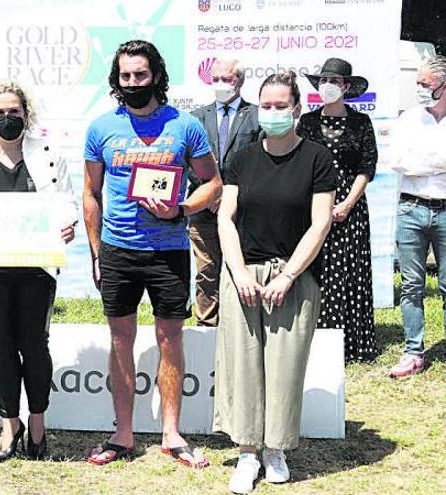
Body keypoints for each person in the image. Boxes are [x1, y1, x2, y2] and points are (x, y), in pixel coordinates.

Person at [83, 40, 222, 468]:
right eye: (125, 77)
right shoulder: (101, 128)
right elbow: (90, 193)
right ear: (116, 80)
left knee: (169, 338)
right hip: (118, 250)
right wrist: (94, 253)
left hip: (169, 251)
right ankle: (122, 433)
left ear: (156, 75)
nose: (133, 83)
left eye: (140, 75)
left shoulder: (185, 126)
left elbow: (213, 184)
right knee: (121, 339)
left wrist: (181, 208)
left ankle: (172, 433)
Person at [215, 71, 336, 494]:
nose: (272, 113)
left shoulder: (317, 159)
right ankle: (247, 452)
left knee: (284, 367)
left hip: (294, 277)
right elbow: (225, 217)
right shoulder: (243, 157)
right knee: (243, 365)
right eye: (265, 106)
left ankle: (276, 450)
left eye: (280, 105)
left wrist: (288, 275)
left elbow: (320, 223)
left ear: (297, 109)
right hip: (244, 276)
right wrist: (239, 272)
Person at [0, 80, 77, 462]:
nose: (8, 118)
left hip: (36, 268)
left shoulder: (50, 156)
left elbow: (67, 203)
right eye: (0, 113)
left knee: (35, 345)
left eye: (14, 112)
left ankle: (37, 423)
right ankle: (10, 426)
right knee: (1, 346)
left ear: (27, 115)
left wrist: (67, 225)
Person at [298, 58, 378, 363]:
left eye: (334, 81)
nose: (327, 86)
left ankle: (351, 343)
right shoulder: (306, 122)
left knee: (348, 269)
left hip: (350, 205)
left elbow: (366, 167)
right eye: (323, 80)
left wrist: (346, 204)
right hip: (313, 202)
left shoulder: (361, 123)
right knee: (315, 266)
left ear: (345, 86)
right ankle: (313, 339)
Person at [189, 58, 262, 327]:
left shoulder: (255, 116)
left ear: (240, 81)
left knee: (239, 269)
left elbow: (259, 161)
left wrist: (229, 197)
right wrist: (210, 195)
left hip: (241, 211)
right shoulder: (196, 117)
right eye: (216, 78)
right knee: (206, 271)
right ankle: (206, 326)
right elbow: (187, 162)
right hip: (203, 208)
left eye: (227, 79)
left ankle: (239, 327)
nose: (220, 84)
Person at [389, 54, 446, 378]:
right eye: (418, 84)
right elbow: (399, 160)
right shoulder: (409, 118)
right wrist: (439, 161)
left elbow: (416, 161)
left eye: (426, 84)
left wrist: (423, 159)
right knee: (411, 284)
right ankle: (413, 351)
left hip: (445, 208)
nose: (421, 90)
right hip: (411, 207)